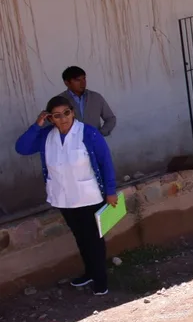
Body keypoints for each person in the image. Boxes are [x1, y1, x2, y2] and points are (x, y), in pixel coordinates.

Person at [15, 96, 118, 296]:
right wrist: (37, 125)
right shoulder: (47, 136)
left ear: (73, 112)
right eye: (56, 116)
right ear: (50, 118)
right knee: (80, 237)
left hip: (89, 196)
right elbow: (22, 147)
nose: (63, 119)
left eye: (66, 113)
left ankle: (101, 280)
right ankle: (89, 273)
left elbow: (106, 162)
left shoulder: (88, 133)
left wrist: (111, 191)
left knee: (94, 239)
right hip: (64, 198)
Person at [60, 66, 117, 136]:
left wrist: (100, 133)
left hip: (93, 143)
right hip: (69, 144)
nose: (83, 83)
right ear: (67, 83)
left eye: (84, 79)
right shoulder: (59, 101)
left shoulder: (96, 97)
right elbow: (49, 124)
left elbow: (110, 118)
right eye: (78, 80)